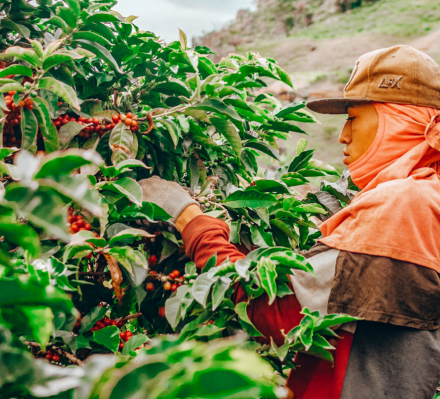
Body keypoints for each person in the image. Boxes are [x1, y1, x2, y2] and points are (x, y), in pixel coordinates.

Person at [139, 45, 440, 399]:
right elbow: (340, 294)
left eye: (353, 117)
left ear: (398, 121)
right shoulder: (426, 197)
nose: (343, 135)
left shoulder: (405, 206)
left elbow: (275, 310)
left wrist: (190, 218)